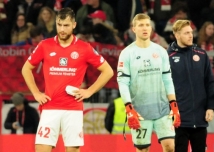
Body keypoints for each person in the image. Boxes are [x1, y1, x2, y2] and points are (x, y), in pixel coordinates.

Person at [21, 7, 113, 152]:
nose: (62, 29)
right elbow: (26, 69)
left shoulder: (84, 48)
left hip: (73, 109)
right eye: (59, 25)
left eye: (66, 25)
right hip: (50, 107)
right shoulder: (45, 45)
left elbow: (108, 71)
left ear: (74, 25)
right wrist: (36, 93)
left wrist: (89, 91)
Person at [117, 13, 181, 152]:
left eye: (147, 25)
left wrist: (174, 105)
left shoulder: (160, 51)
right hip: (140, 112)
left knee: (170, 147)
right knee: (143, 150)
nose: (145, 28)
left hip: (162, 110)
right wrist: (129, 109)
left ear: (151, 28)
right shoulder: (127, 53)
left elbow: (167, 79)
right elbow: (122, 82)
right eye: (140, 25)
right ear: (134, 29)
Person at [167, 19, 214, 152]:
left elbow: (210, 82)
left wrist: (211, 107)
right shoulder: (167, 57)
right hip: (178, 120)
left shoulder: (201, 55)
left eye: (191, 32)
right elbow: (163, 86)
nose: (191, 36)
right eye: (186, 33)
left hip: (200, 119)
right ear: (177, 35)